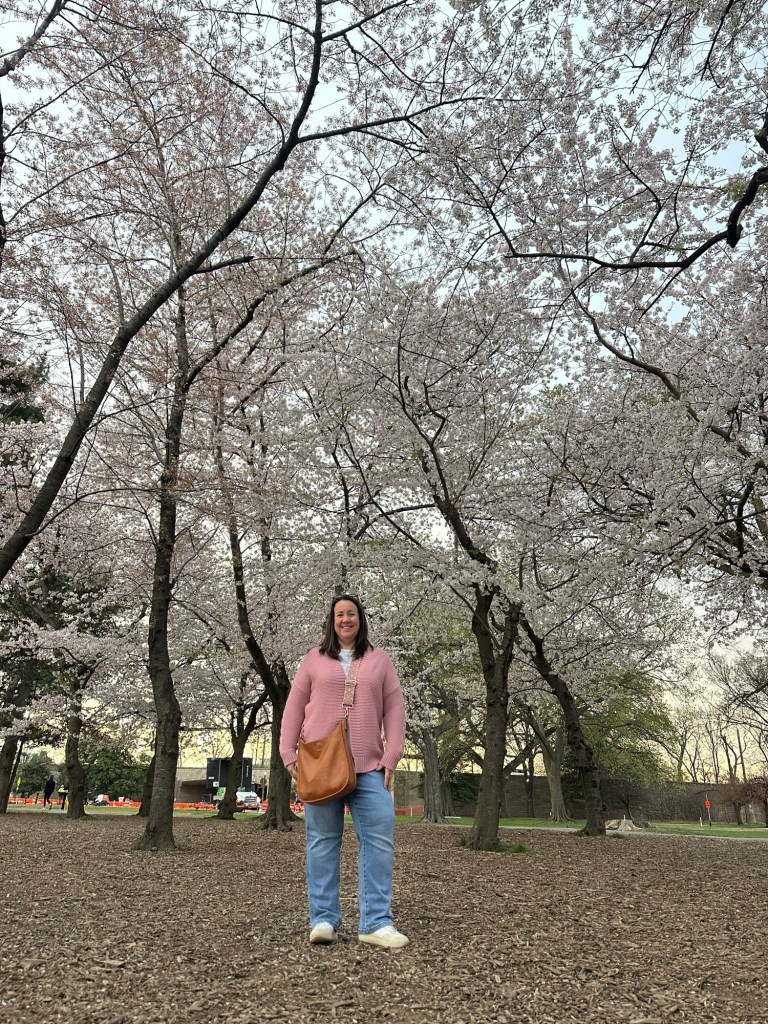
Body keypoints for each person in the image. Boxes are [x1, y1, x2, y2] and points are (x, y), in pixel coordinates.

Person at [280, 593, 408, 949]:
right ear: (331, 621)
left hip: (369, 767)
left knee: (380, 837)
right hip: (321, 764)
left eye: (351, 613)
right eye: (339, 614)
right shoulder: (314, 659)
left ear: (360, 619)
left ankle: (376, 922)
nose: (345, 619)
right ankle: (323, 919)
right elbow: (294, 707)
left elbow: (395, 708)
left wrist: (392, 754)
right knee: (322, 841)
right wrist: (288, 752)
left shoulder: (380, 660)